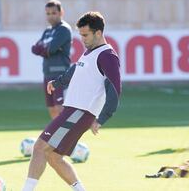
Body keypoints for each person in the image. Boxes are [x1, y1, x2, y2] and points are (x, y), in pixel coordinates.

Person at [22, 11, 121, 191]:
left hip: (79, 111)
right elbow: (75, 70)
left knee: (39, 147)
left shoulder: (107, 55)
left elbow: (115, 89)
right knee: (53, 156)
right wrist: (57, 82)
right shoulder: (90, 52)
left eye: (85, 35)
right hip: (73, 111)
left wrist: (102, 118)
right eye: (80, 35)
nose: (82, 39)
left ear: (98, 33)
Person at [31, 0, 72, 119]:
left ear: (61, 13)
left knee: (61, 108)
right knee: (52, 108)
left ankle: (68, 136)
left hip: (60, 73)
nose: (51, 16)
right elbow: (34, 48)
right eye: (48, 13)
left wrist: (45, 49)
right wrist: (46, 49)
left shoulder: (64, 29)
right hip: (47, 73)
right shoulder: (48, 31)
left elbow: (51, 49)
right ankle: (57, 136)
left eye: (54, 13)